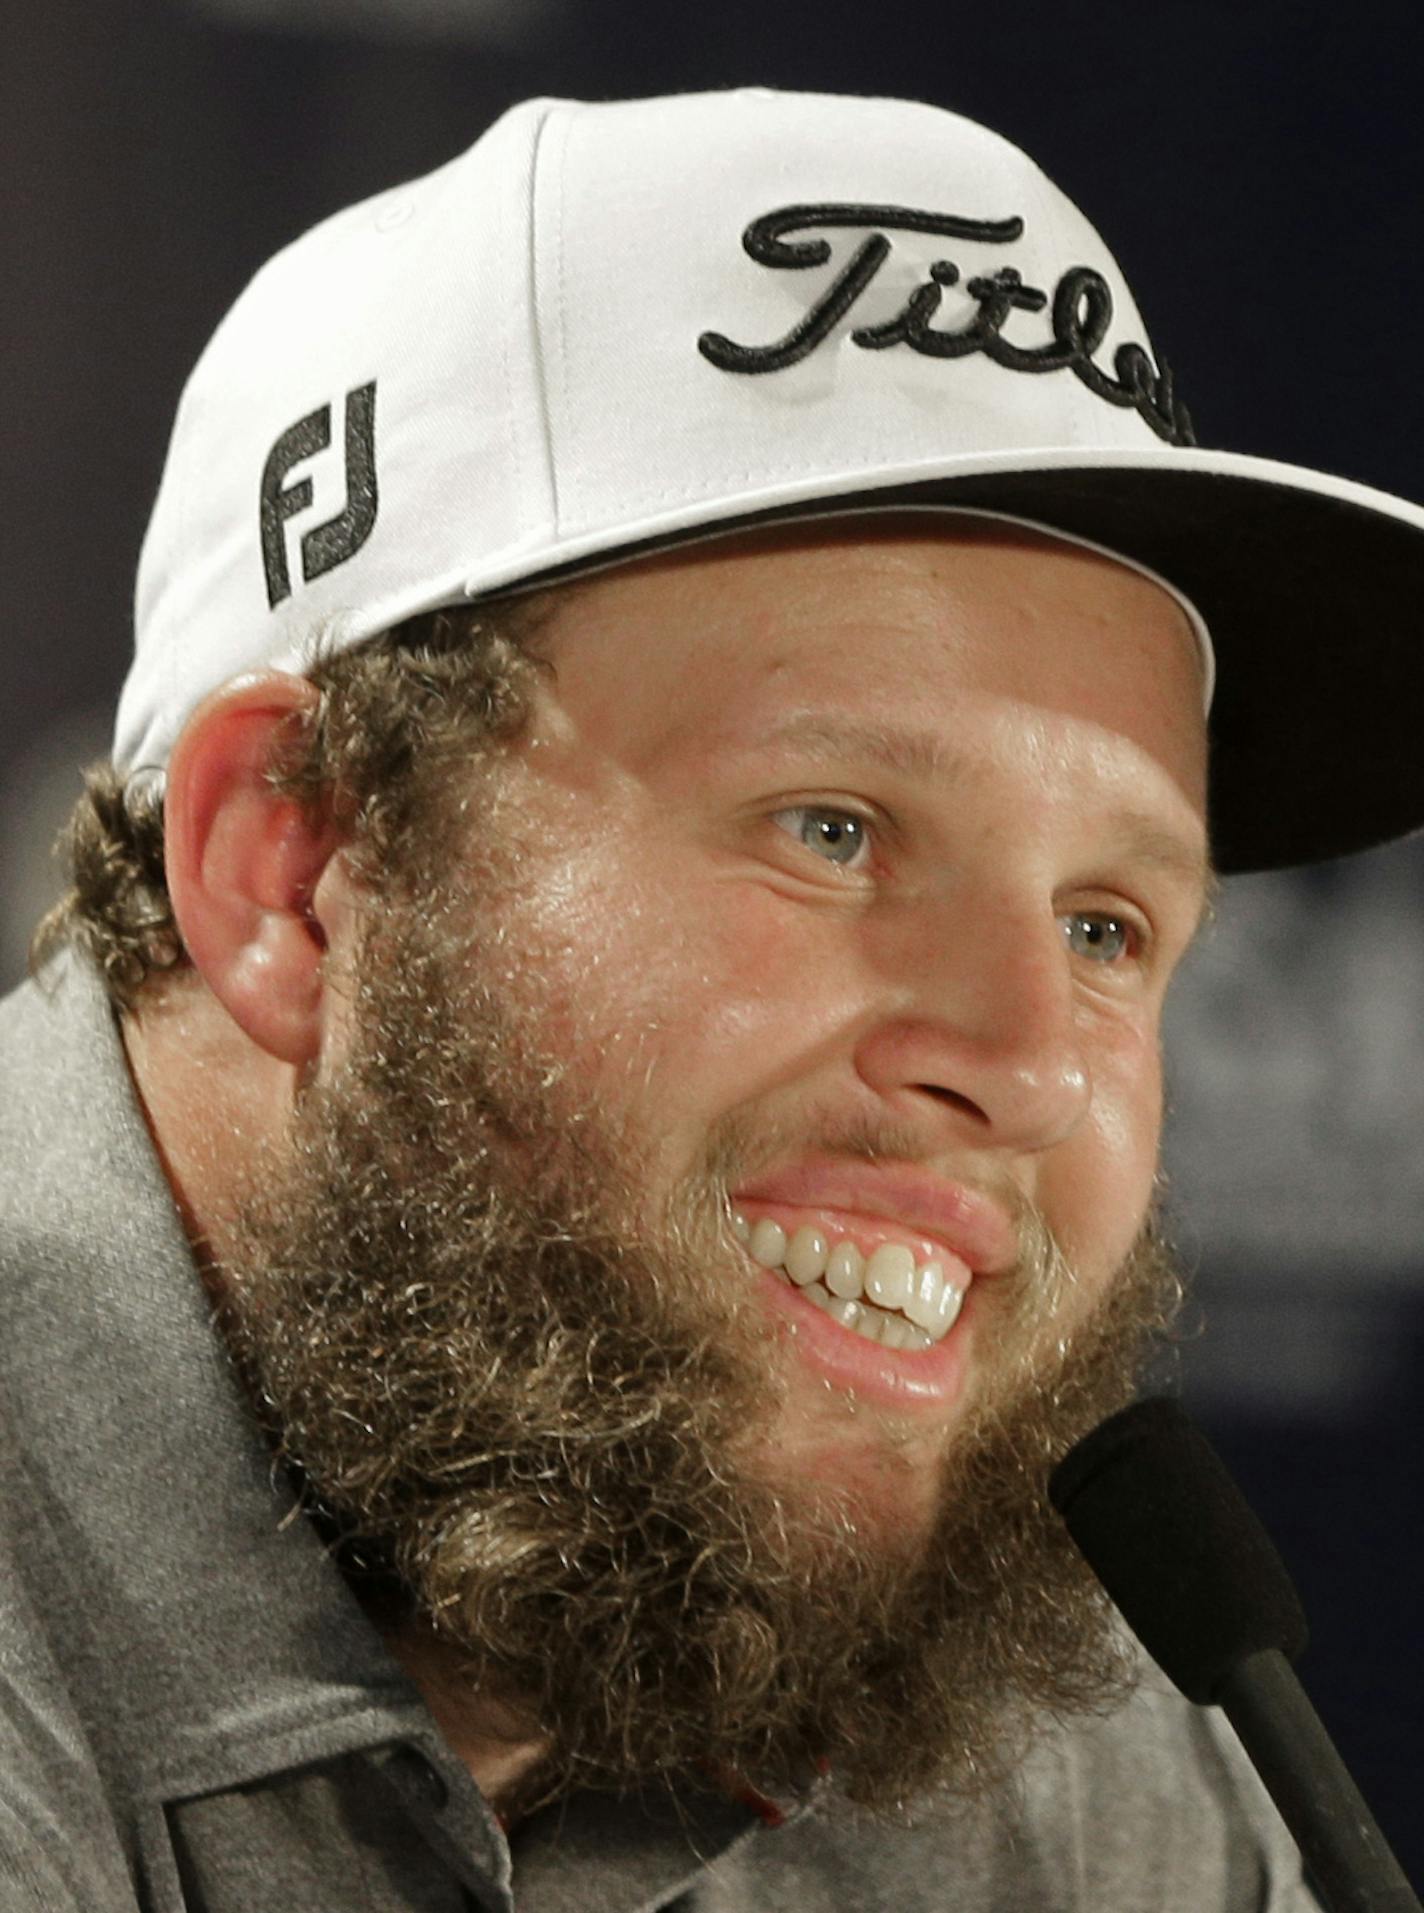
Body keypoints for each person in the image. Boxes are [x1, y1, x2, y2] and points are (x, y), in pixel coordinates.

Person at [4, 86, 1422, 1913]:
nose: (1026, 1067)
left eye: (1105, 925)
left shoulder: (1015, 1729)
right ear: (298, 868)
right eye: (834, 829)